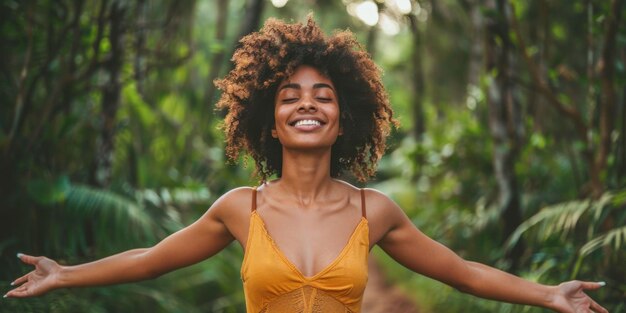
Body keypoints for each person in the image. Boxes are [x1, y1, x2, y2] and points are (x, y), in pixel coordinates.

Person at [5, 16, 607, 313]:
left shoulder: (378, 211)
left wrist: (549, 293)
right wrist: (66, 273)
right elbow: (148, 261)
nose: (307, 106)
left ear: (343, 120)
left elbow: (463, 273)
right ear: (270, 123)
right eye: (290, 97)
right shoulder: (242, 209)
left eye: (323, 97)